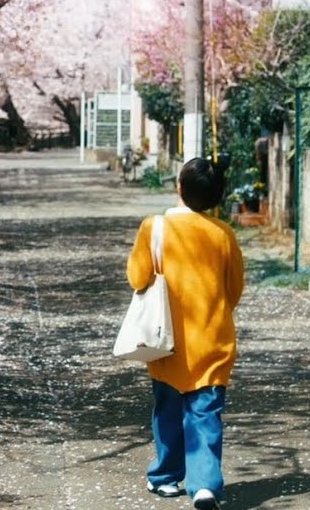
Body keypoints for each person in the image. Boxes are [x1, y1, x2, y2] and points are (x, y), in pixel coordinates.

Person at [125, 156, 245, 510]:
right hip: (212, 340)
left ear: (179, 187)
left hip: (166, 341)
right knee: (205, 414)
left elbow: (137, 277)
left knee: (167, 409)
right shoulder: (224, 234)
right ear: (216, 197)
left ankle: (165, 477)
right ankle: (205, 484)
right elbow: (234, 288)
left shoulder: (155, 227)